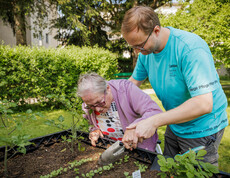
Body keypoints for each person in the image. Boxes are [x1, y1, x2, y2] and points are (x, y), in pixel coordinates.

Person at [121, 6, 228, 166]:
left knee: (196, 173)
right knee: (166, 169)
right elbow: (131, 86)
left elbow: (203, 103)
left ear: (156, 30)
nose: (137, 52)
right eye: (133, 47)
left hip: (203, 127)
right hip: (175, 121)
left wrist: (153, 121)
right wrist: (107, 99)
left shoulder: (190, 49)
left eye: (140, 45)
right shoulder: (146, 53)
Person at [77, 72, 162, 152]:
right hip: (110, 149)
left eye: (100, 103)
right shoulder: (90, 99)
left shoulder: (126, 89)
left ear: (108, 89)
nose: (97, 110)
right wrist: (95, 130)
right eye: (91, 106)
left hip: (138, 149)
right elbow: (91, 123)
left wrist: (135, 127)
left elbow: (154, 111)